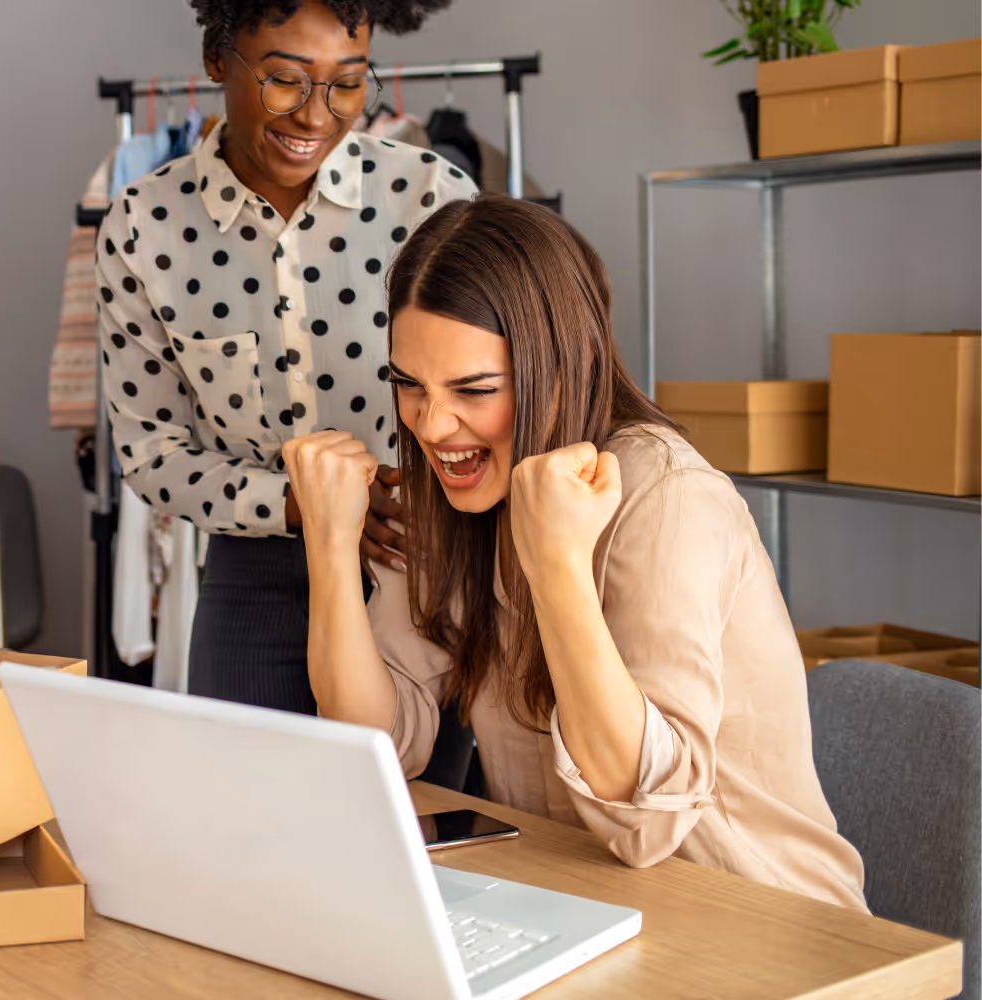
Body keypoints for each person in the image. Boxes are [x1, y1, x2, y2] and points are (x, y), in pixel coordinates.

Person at [284, 194, 868, 910]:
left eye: (476, 390)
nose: (433, 425)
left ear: (568, 362)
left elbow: (647, 818)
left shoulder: (666, 494)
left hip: (762, 924)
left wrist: (557, 565)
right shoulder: (456, 493)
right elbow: (375, 746)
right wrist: (330, 546)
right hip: (578, 906)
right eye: (410, 387)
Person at [97, 0, 473, 714]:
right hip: (254, 575)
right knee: (249, 815)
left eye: (348, 84)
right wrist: (303, 506)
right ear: (217, 61)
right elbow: (153, 453)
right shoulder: (145, 226)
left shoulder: (431, 199)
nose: (316, 116)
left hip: (419, 565)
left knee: (420, 820)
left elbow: (494, 395)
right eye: (285, 80)